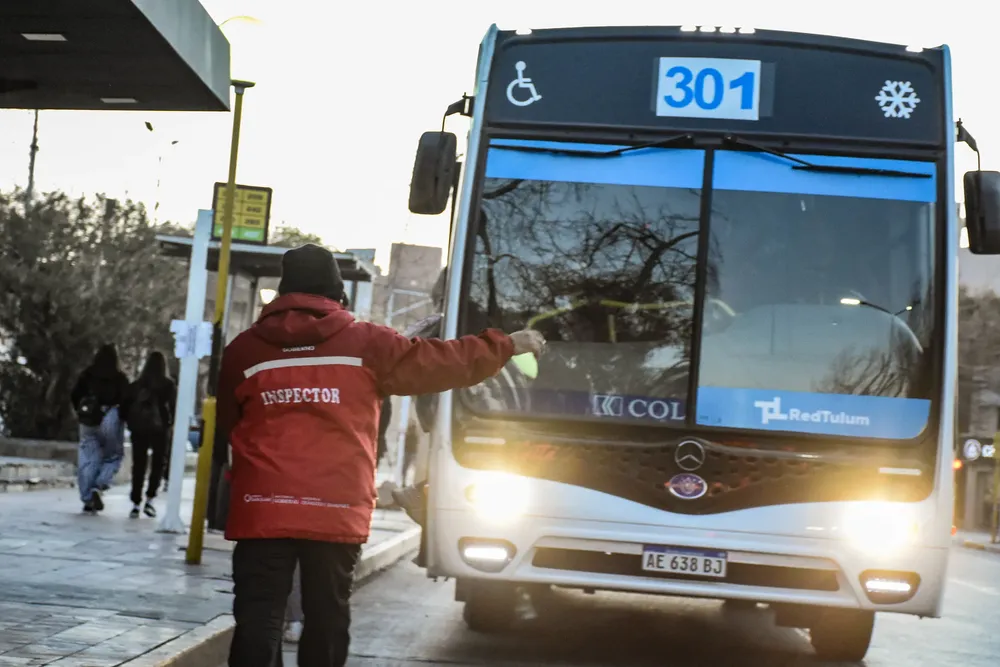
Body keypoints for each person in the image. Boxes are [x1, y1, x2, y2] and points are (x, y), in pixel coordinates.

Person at [218, 244, 544, 667]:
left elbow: (228, 419)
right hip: (333, 506)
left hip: (263, 507)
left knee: (257, 620)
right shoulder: (367, 344)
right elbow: (440, 361)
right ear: (336, 293)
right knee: (327, 616)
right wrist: (506, 344)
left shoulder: (244, 350)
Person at [70, 343, 130, 514]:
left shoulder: (87, 374)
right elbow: (126, 401)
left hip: (88, 419)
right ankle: (100, 485)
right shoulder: (119, 378)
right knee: (113, 456)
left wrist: (81, 411)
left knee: (88, 459)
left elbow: (74, 394)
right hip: (109, 418)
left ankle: (87, 498)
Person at [123, 350, 177, 519]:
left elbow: (124, 408)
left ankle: (135, 502)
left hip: (139, 429)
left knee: (138, 465)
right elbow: (174, 408)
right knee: (158, 464)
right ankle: (150, 499)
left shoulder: (137, 385)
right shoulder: (168, 385)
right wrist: (170, 423)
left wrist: (131, 422)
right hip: (160, 430)